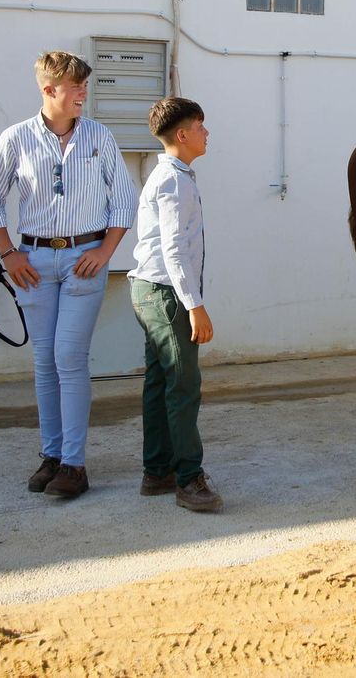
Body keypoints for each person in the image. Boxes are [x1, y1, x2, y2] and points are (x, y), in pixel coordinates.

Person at [0, 51, 135, 500]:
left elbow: (123, 199)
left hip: (85, 257)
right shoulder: (16, 138)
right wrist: (8, 253)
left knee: (69, 356)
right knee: (44, 361)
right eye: (76, 86)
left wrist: (107, 249)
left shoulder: (99, 137)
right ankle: (51, 456)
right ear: (49, 90)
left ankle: (75, 463)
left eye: (86, 85)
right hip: (34, 262)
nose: (84, 93)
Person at [127, 96, 222, 513]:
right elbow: (174, 251)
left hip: (151, 289)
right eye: (201, 126)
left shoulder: (174, 174)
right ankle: (188, 479)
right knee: (183, 385)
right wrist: (194, 305)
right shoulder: (174, 180)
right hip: (166, 294)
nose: (206, 133)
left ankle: (158, 471)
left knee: (160, 384)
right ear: (181, 135)